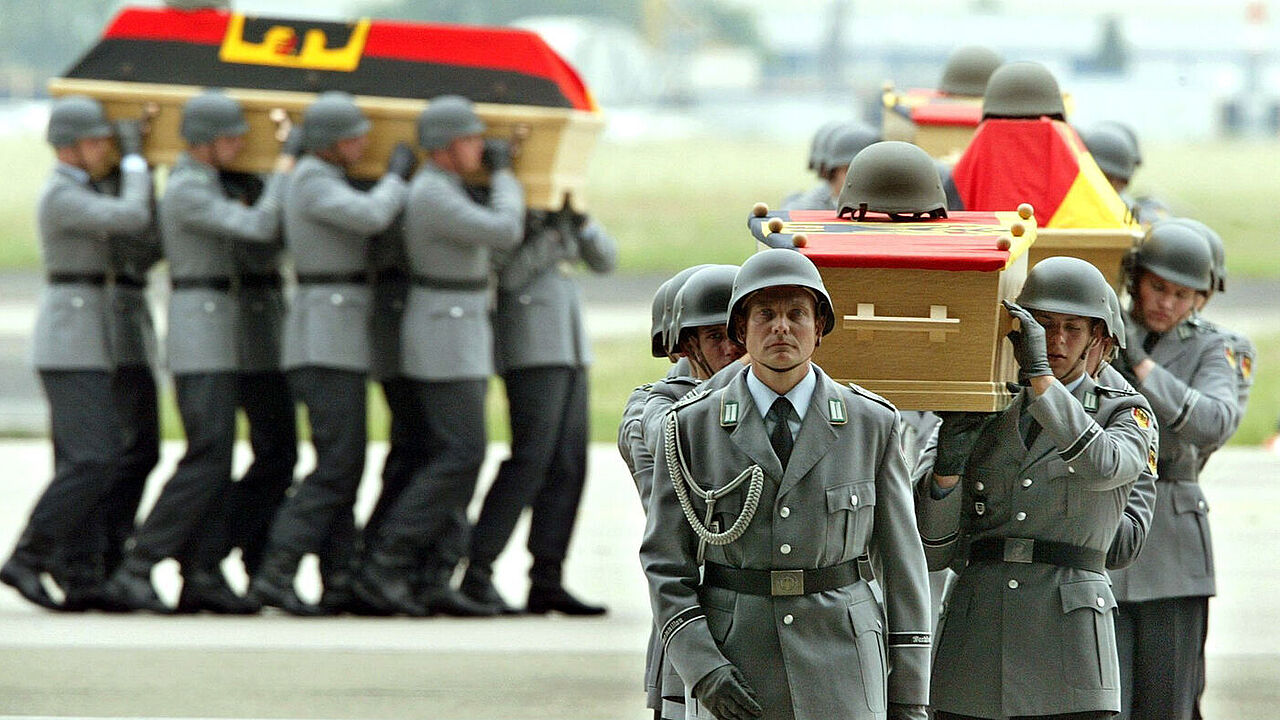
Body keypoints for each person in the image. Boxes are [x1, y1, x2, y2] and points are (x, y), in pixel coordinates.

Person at [642, 248, 932, 720]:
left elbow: (902, 565)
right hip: (736, 659)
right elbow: (664, 562)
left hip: (844, 662)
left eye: (797, 313)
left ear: (819, 328)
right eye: (765, 314)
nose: (781, 327)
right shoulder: (692, 426)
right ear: (741, 330)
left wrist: (910, 691)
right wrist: (703, 667)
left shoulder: (869, 423)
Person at [916, 256, 1158, 720]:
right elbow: (929, 550)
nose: (1058, 340)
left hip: (1069, 639)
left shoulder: (1122, 410)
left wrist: (1042, 380)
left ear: (1096, 339)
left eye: (1072, 328)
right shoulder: (983, 401)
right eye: (1043, 326)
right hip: (978, 634)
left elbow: (1106, 464)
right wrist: (945, 473)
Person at [99, 90, 294, 613]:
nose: (237, 145)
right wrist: (284, 169)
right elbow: (258, 226)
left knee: (235, 455)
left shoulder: (211, 183)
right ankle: (140, 563)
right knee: (208, 455)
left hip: (223, 332)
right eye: (230, 137)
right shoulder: (186, 187)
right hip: (200, 333)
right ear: (204, 142)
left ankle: (202, 567)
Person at [351, 94, 523, 617]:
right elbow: (504, 230)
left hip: (458, 329)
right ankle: (386, 564)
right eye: (471, 140)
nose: (479, 148)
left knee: (455, 456)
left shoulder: (446, 188)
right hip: (443, 335)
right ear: (445, 148)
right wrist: (507, 175)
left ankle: (430, 575)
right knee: (459, 453)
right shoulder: (431, 192)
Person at [250, 91, 414, 615]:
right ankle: (276, 569)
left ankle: (337, 575)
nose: (363, 142)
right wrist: (395, 177)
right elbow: (371, 217)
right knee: (337, 465)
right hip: (323, 342)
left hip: (335, 337)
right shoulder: (313, 180)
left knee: (344, 463)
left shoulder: (321, 177)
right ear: (328, 143)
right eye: (353, 136)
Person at [1, 96, 151, 610]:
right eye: (95, 142)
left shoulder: (83, 188)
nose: (104, 149)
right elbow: (132, 215)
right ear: (67, 148)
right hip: (70, 343)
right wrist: (135, 162)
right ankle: (28, 556)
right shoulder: (61, 194)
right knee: (94, 457)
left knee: (94, 459)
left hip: (89, 339)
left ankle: (82, 573)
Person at [1108, 222, 1242, 720]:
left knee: (1170, 703)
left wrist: (1141, 366)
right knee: (1101, 701)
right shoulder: (1106, 333)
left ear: (1201, 299)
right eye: (1156, 287)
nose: (1166, 302)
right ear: (1135, 280)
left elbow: (1214, 421)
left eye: (1181, 294)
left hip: (1172, 538)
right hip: (1105, 530)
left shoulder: (1218, 348)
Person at [459, 206, 618, 615]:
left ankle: (547, 577)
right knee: (530, 462)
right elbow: (508, 278)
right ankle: (477, 570)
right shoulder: (509, 211)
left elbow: (606, 260)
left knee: (569, 465)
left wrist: (581, 223)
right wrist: (546, 234)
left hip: (568, 348)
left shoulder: (559, 213)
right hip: (530, 348)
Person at [782, 123, 879, 212]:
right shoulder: (808, 210)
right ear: (830, 173)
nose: (863, 180)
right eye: (852, 171)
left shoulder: (882, 207)